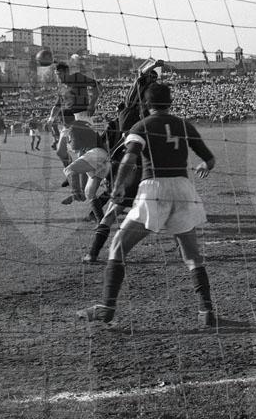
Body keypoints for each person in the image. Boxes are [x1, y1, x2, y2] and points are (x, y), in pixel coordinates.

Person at [76, 82, 217, 327]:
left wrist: (119, 186)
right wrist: (205, 165)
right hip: (183, 189)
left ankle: (107, 307)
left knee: (118, 246)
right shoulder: (184, 125)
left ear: (146, 104)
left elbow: (130, 157)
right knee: (192, 256)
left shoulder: (141, 126)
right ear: (170, 102)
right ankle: (207, 311)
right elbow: (209, 159)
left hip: (154, 188)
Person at [81, 64, 159, 264]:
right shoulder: (153, 119)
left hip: (128, 168)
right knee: (168, 215)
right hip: (150, 174)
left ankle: (93, 253)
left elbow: (138, 81)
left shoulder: (127, 115)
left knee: (111, 214)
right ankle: (185, 249)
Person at [61, 120, 110, 222]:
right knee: (89, 194)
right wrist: (81, 192)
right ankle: (101, 222)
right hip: (103, 157)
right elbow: (82, 172)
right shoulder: (83, 125)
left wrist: (68, 142)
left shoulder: (73, 128)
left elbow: (75, 147)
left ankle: (75, 193)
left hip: (95, 154)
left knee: (69, 170)